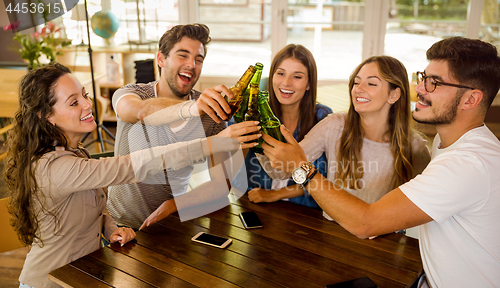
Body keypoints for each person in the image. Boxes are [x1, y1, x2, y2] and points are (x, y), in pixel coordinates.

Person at [262, 37, 500, 288]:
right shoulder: (448, 142)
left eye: (434, 82)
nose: (421, 89)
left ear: (471, 99)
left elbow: (367, 222)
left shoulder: (464, 163)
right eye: (423, 78)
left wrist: (303, 169)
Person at [4, 63, 241, 288]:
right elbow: (134, 166)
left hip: (88, 285)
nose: (87, 104)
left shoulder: (74, 153)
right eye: (73, 102)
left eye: (84, 95)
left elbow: (90, 205)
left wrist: (111, 228)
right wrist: (212, 144)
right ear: (45, 115)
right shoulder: (53, 166)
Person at [108, 23, 259, 229]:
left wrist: (173, 205)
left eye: (199, 59)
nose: (192, 65)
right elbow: (140, 111)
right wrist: (191, 108)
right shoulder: (132, 93)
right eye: (183, 55)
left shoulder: (210, 113)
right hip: (121, 225)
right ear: (161, 59)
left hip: (172, 225)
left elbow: (221, 185)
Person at [257, 55, 430, 221]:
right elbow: (279, 172)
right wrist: (255, 134)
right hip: (332, 234)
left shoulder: (415, 147)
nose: (358, 89)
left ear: (394, 95)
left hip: (381, 243)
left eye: (371, 83)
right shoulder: (334, 126)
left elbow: (423, 206)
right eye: (356, 82)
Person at [244, 44, 332, 209]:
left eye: (297, 77)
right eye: (281, 74)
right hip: (257, 204)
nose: (286, 83)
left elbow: (322, 177)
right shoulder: (255, 114)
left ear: (308, 84)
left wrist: (275, 194)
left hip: (303, 210)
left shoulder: (323, 117)